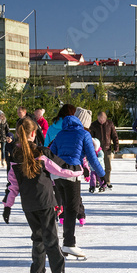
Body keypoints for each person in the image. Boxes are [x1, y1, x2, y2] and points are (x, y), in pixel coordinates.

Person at [2, 117, 78, 273]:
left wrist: (7, 206)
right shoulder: (41, 152)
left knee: (38, 237)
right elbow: (62, 169)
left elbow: (12, 184)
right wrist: (81, 169)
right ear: (33, 133)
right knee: (51, 240)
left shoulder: (14, 155)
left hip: (28, 205)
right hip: (45, 202)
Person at [48, 105, 106, 261]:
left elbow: (51, 153)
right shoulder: (83, 134)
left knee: (66, 207)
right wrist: (102, 175)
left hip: (57, 175)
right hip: (71, 175)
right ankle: (69, 244)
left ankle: (66, 243)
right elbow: (93, 158)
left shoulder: (60, 134)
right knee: (72, 208)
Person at [89, 111, 119, 191]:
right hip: (97, 150)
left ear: (105, 118)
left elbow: (114, 136)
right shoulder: (94, 125)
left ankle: (107, 181)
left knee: (107, 166)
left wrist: (116, 145)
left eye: (103, 119)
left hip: (107, 148)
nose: (101, 121)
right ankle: (98, 182)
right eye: (99, 119)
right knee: (96, 167)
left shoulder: (110, 124)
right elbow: (90, 138)